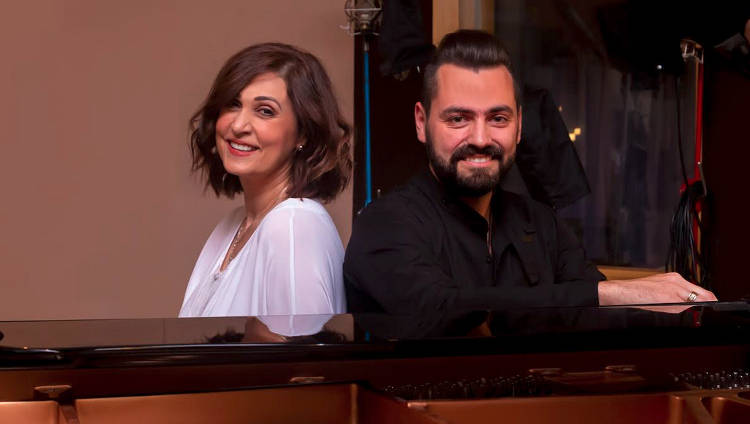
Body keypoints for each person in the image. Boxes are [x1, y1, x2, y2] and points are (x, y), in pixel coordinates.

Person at [343, 30, 716, 315]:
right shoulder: (384, 225)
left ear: (519, 126)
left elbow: (588, 318)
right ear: (421, 123)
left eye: (498, 118)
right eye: (458, 118)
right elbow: (439, 310)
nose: (480, 139)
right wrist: (611, 292)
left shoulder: (542, 225)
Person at [180, 43, 351, 317]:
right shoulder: (232, 225)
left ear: (303, 134)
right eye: (233, 104)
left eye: (265, 111)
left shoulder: (293, 225)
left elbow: (304, 345)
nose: (238, 126)